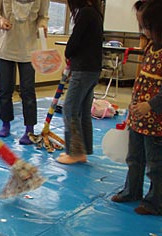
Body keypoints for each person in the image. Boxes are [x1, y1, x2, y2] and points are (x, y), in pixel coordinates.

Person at [111, 0, 162, 216]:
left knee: (155, 164)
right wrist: (135, 106)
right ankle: (132, 191)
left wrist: (149, 105)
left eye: (147, 26)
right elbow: (142, 81)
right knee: (134, 158)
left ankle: (155, 203)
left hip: (157, 120)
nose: (144, 31)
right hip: (139, 117)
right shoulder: (149, 46)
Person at [0, 0, 50, 144]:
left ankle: (29, 129)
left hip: (28, 49)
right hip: (5, 47)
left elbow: (43, 15)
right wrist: (0, 20)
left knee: (28, 90)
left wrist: (42, 25)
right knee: (5, 90)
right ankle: (5, 124)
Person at [56, 0, 103, 164]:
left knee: (70, 109)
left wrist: (68, 53)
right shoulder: (95, 12)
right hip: (92, 69)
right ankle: (83, 151)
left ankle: (75, 152)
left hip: (83, 69)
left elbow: (74, 42)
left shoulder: (85, 13)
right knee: (82, 110)